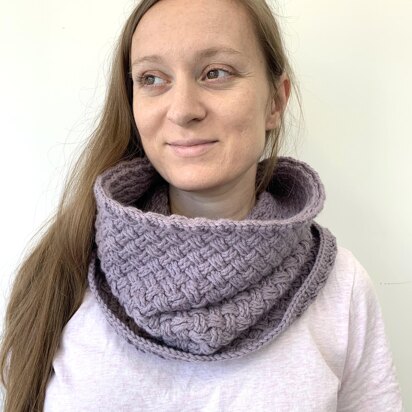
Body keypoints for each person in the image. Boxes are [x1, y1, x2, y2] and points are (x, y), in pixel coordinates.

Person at [0, 0, 403, 410]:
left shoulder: (341, 287)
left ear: (275, 102)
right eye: (152, 78)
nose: (183, 110)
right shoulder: (59, 274)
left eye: (216, 73)